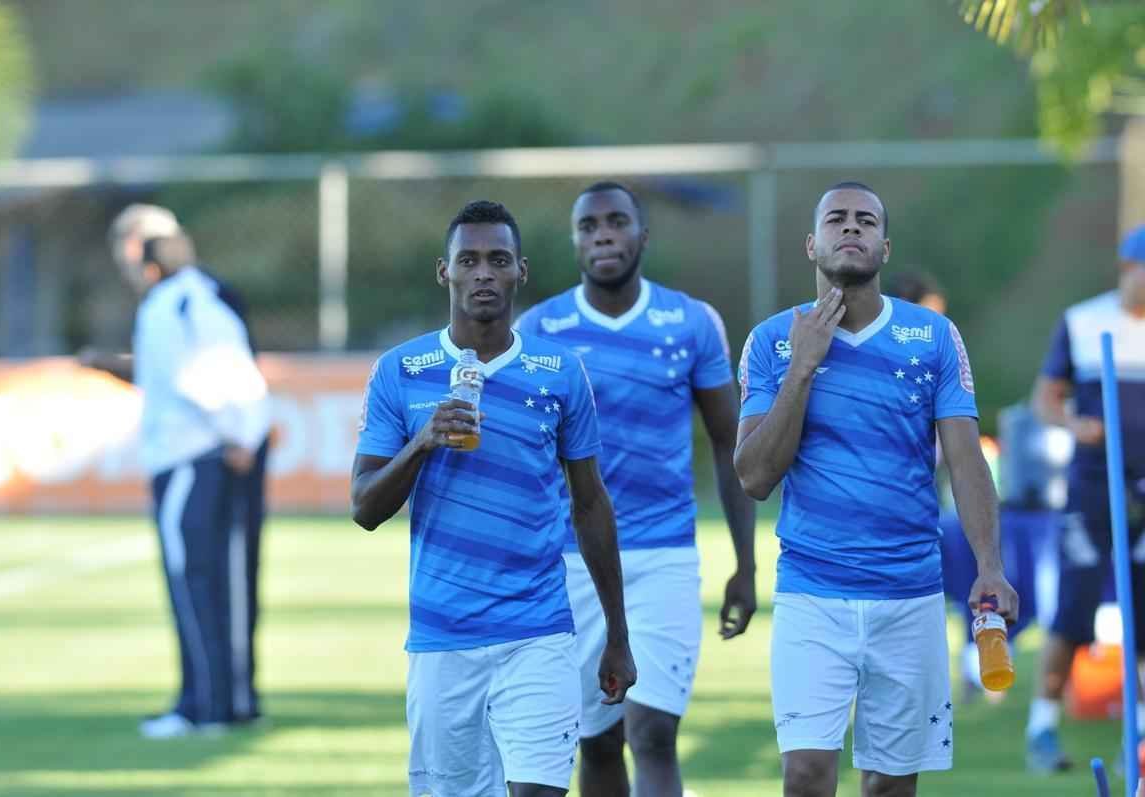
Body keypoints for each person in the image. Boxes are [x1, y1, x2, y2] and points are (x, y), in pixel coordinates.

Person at [734, 181, 1018, 797]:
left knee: (890, 786)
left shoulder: (934, 337)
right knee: (807, 775)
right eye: (836, 219)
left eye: (866, 220)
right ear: (812, 244)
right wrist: (803, 366)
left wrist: (989, 566)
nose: (851, 228)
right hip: (813, 593)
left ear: (885, 248)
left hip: (909, 596)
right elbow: (755, 475)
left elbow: (967, 463)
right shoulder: (772, 341)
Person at [350, 200, 636, 796]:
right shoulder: (400, 371)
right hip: (442, 638)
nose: (484, 272)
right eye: (470, 260)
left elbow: (590, 504)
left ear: (520, 273)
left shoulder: (559, 371)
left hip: (539, 632)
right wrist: (422, 442)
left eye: (498, 260)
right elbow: (365, 507)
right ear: (444, 271)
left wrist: (616, 634)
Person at [517, 181, 757, 796]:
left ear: (642, 235)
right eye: (588, 224)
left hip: (664, 558)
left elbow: (730, 445)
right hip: (573, 565)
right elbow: (521, 460)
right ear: (574, 241)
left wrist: (746, 565)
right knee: (596, 742)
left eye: (616, 221)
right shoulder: (541, 330)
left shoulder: (690, 322)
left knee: (651, 731)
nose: (602, 233)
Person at [84, 205, 271, 737]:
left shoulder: (175, 303)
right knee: (222, 580)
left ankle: (203, 706)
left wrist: (236, 431)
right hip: (210, 451)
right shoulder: (200, 296)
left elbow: (199, 377)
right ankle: (227, 700)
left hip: (190, 456)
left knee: (194, 579)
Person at [1024, 224, 1145, 773]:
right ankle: (1043, 730)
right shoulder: (1084, 321)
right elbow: (1046, 399)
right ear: (1128, 268)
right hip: (1094, 485)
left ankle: (1136, 741)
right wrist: (1075, 424)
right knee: (1075, 605)